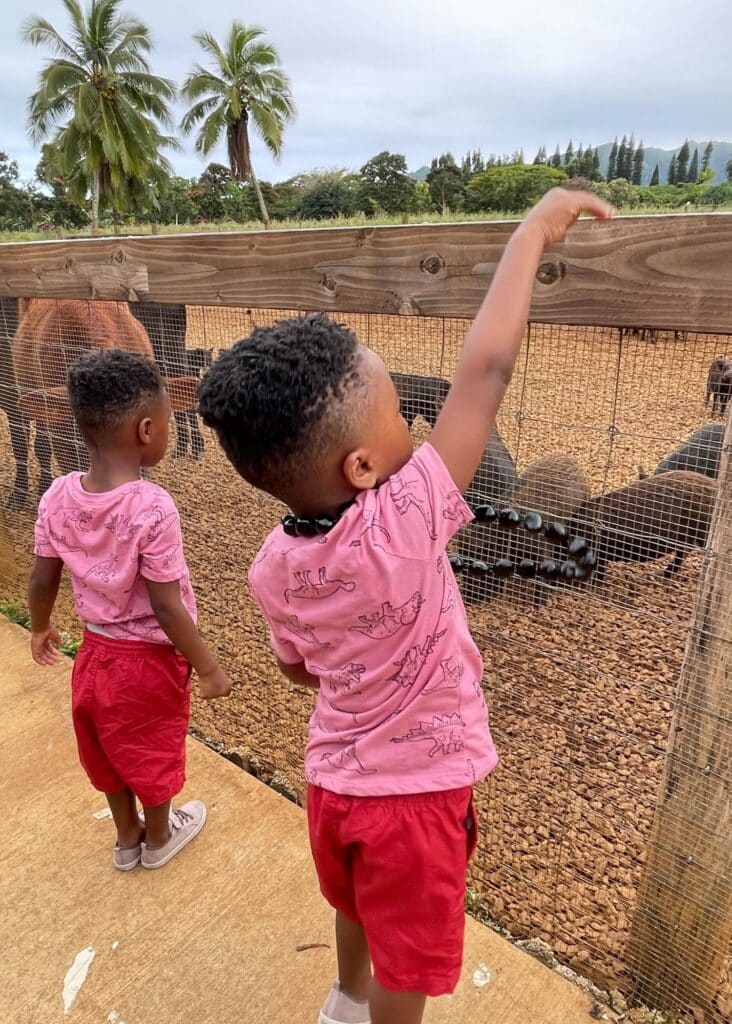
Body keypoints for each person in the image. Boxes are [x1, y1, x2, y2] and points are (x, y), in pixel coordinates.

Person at [198, 188, 614, 1024]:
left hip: (335, 785)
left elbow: (295, 670)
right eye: (398, 417)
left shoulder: (272, 565)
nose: (414, 432)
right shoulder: (410, 516)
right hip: (416, 802)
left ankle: (344, 1000)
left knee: (354, 904)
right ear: (360, 465)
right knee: (410, 962)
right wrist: (531, 233)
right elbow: (486, 371)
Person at [28, 349, 233, 872]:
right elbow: (166, 607)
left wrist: (40, 626)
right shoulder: (152, 506)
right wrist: (207, 666)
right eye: (168, 424)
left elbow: (42, 577)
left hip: (94, 653)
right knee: (152, 745)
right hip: (147, 661)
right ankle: (160, 835)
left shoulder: (55, 496)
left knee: (103, 745)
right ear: (146, 430)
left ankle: (126, 838)